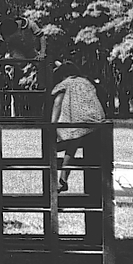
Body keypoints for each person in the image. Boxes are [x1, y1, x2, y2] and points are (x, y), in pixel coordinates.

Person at [51, 60, 106, 192]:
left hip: (79, 122)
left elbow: (58, 103)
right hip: (96, 121)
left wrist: (52, 124)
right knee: (73, 144)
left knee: (70, 142)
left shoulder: (65, 83)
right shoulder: (86, 82)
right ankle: (63, 179)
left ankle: (62, 179)